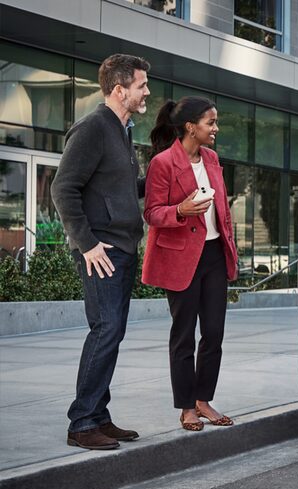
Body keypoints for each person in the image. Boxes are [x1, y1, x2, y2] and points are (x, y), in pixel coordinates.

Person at [51, 53, 151, 450]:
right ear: (119, 89)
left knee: (114, 332)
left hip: (123, 246)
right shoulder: (93, 127)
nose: (147, 92)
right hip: (102, 249)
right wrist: (88, 244)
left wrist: (165, 175)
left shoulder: (122, 131)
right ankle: (82, 422)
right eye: (141, 85)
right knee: (105, 330)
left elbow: (124, 189)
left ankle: (99, 415)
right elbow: (63, 189)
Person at [142, 97, 239, 431]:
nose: (215, 128)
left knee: (213, 333)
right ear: (189, 127)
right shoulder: (163, 163)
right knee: (183, 336)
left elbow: (220, 207)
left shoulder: (212, 158)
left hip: (213, 254)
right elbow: (152, 212)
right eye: (210, 123)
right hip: (180, 257)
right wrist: (180, 211)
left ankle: (203, 400)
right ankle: (186, 407)